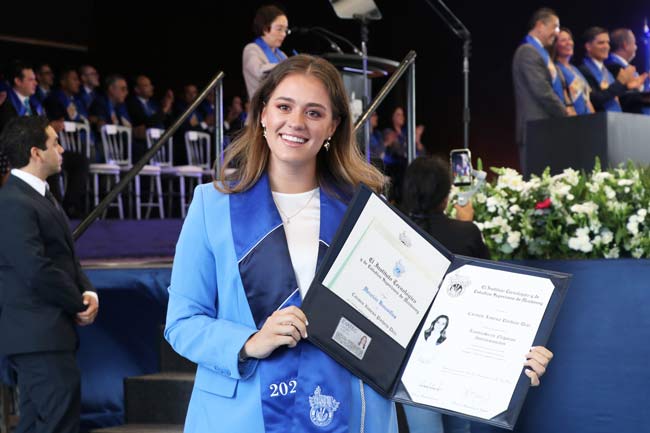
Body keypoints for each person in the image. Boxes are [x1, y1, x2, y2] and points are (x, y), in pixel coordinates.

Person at [164, 54, 398, 432]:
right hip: (242, 415)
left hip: (347, 410)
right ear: (262, 115)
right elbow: (182, 323)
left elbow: (404, 320)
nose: (296, 123)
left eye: (314, 113)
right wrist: (249, 341)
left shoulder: (367, 212)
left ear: (333, 127)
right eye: (284, 107)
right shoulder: (212, 206)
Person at [399, 156, 552, 433]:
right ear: (446, 197)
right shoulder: (465, 232)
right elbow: (491, 281)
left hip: (408, 351)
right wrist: (466, 224)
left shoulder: (397, 231)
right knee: (460, 427)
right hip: (459, 346)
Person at [0, 115, 99, 433]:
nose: (61, 149)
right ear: (35, 153)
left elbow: (65, 256)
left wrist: (88, 291)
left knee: (36, 425)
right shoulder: (13, 201)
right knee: (57, 424)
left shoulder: (40, 195)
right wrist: (77, 302)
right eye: (55, 143)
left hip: (47, 335)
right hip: (37, 336)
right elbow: (35, 268)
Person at [512, 8, 570, 173]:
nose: (557, 33)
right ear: (540, 25)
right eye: (555, 26)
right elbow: (542, 92)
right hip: (535, 131)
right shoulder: (528, 52)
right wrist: (566, 114)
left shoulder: (543, 54)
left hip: (548, 130)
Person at [579, 27, 646, 112]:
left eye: (607, 43)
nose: (606, 46)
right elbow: (595, 100)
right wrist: (620, 83)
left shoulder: (607, 70)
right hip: (599, 121)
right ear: (588, 46)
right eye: (601, 43)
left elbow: (612, 95)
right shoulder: (583, 71)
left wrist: (626, 87)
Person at [243, 5, 289, 99]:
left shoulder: (281, 55)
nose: (283, 34)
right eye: (279, 29)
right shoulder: (252, 49)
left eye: (286, 30)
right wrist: (289, 66)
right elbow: (259, 73)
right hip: (261, 108)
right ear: (265, 29)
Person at [605, 28, 650, 114]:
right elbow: (626, 96)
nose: (636, 47)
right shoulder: (613, 66)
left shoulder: (625, 67)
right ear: (625, 45)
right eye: (634, 43)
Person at [552, 28, 595, 115]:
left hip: (588, 120)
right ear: (555, 45)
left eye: (570, 39)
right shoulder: (555, 69)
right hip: (573, 121)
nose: (569, 43)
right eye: (563, 40)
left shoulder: (575, 70)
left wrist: (595, 118)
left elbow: (587, 99)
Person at [0, 61, 45, 133]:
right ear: (17, 81)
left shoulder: (34, 104)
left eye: (35, 79)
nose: (36, 83)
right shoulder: (5, 104)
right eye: (31, 80)